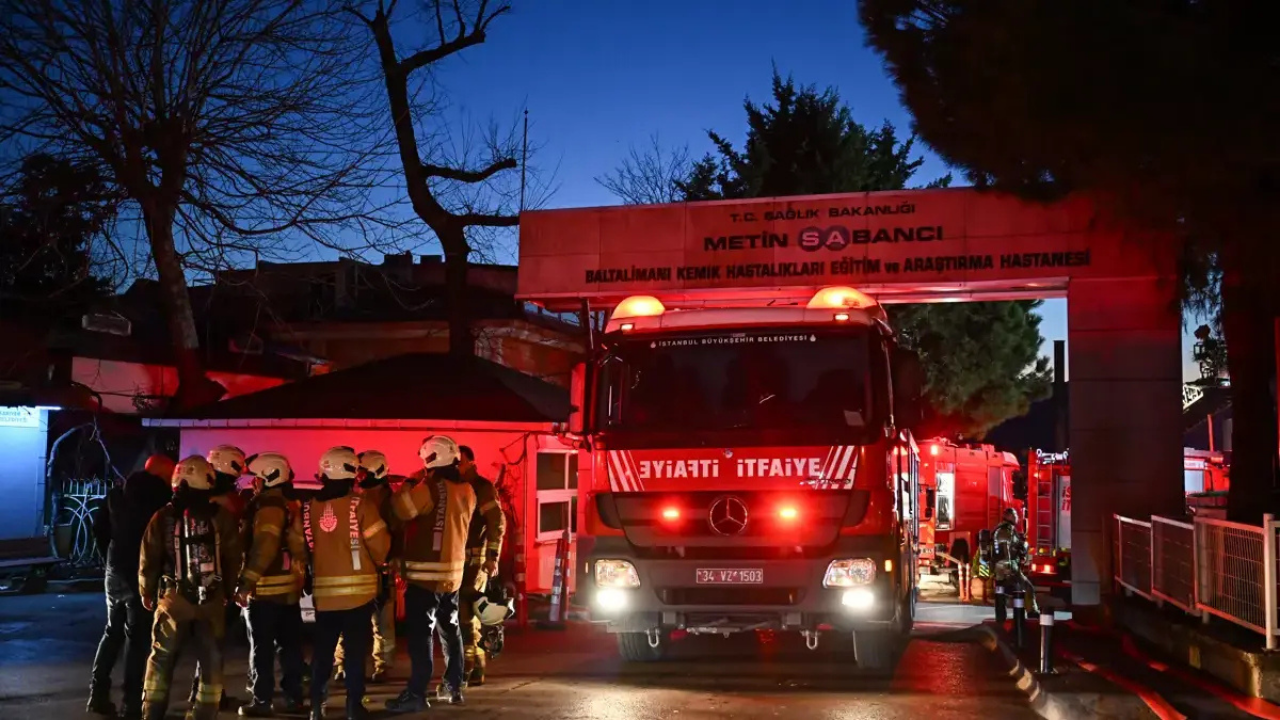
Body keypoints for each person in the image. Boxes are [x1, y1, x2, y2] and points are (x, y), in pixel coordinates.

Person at [138, 456, 243, 720]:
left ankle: (152, 713)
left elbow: (148, 559)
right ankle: (204, 713)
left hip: (174, 599)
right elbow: (233, 557)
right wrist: (228, 591)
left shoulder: (162, 517)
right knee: (211, 662)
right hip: (211, 601)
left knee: (161, 658)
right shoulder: (222, 517)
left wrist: (146, 591)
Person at [385, 436, 476, 713]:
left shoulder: (430, 487)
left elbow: (402, 510)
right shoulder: (467, 489)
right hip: (453, 575)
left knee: (420, 635)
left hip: (425, 577)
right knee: (451, 630)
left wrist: (407, 487)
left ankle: (416, 693)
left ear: (429, 460)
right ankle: (454, 686)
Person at [305, 446, 390, 720]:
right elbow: (381, 545)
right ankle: (354, 707)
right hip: (359, 597)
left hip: (324, 597)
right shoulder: (361, 505)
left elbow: (299, 546)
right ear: (352, 474)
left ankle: (316, 707)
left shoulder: (308, 509)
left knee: (323, 652)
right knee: (355, 654)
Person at [87, 454, 174, 719]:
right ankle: (131, 703)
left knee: (112, 631)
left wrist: (109, 559)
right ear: (161, 475)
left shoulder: (117, 495)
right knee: (137, 642)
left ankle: (98, 694)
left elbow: (99, 528)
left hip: (114, 572)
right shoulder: (162, 503)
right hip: (141, 574)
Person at [234, 452, 308, 718]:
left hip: (264, 591)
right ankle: (293, 698)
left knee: (261, 650)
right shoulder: (291, 505)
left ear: (268, 477)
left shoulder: (267, 508)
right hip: (288, 591)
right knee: (290, 648)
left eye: (256, 478)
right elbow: (300, 549)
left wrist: (245, 583)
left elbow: (263, 549)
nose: (253, 484)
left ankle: (261, 701)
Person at [334, 449, 397, 684]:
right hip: (358, 569)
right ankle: (343, 664)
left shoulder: (389, 502)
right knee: (349, 623)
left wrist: (391, 563)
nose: (358, 476)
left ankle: (382, 665)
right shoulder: (356, 498)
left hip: (381, 570)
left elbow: (395, 535)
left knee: (382, 624)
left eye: (362, 471)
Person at [455, 445, 505, 688]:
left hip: (475, 561)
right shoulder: (455, 487)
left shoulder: (482, 488)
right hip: (458, 560)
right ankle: (474, 667)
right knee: (465, 616)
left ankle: (469, 667)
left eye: (460, 461)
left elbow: (497, 523)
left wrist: (492, 556)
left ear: (471, 462)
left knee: (466, 614)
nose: (456, 465)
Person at [992, 507, 1039, 616]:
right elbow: (1008, 547)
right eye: (1014, 515)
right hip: (1009, 567)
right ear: (1009, 516)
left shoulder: (999, 529)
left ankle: (1000, 616)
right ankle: (1032, 611)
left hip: (999, 568)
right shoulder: (1007, 530)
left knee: (1001, 592)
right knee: (1027, 587)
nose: (1017, 517)